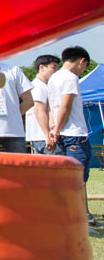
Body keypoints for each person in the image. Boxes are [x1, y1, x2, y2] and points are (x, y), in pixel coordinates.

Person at [47, 46, 95, 230]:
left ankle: (68, 218)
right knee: (78, 180)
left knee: (64, 179)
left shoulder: (54, 78)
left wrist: (52, 130)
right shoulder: (70, 78)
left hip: (59, 134)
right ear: (82, 61)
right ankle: (80, 221)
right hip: (74, 134)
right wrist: (58, 129)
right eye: (85, 67)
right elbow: (65, 107)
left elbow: (52, 107)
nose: (83, 70)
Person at [26, 55, 60, 154]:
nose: (55, 71)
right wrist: (47, 135)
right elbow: (38, 110)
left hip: (39, 136)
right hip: (43, 136)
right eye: (53, 67)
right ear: (42, 67)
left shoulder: (40, 85)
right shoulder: (39, 86)